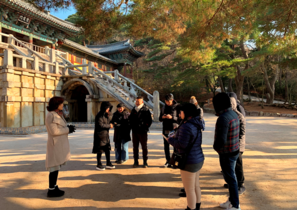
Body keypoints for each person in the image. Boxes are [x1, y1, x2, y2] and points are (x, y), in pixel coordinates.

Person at [167, 103, 204, 210]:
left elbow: (181, 145)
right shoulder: (197, 123)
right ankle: (197, 206)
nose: (179, 114)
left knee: (189, 189)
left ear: (186, 113)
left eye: (181, 112)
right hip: (198, 158)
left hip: (189, 161)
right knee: (196, 186)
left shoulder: (186, 126)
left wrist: (170, 140)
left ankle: (191, 208)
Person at [213, 92, 241, 210]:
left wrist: (216, 148)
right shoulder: (233, 114)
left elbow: (221, 140)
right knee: (231, 178)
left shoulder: (223, 118)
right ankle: (231, 201)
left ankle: (235, 205)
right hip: (234, 150)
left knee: (230, 179)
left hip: (227, 153)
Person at [45, 96, 76, 197]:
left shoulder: (58, 114)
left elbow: (60, 128)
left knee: (57, 166)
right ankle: (51, 189)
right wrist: (68, 130)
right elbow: (54, 131)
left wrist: (68, 128)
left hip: (59, 144)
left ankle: (54, 186)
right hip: (55, 145)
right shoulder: (51, 115)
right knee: (53, 167)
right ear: (56, 104)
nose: (63, 105)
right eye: (61, 103)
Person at [224, 92, 246, 195]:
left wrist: (235, 143)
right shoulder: (229, 115)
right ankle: (233, 182)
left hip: (238, 146)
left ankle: (241, 185)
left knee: (238, 165)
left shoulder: (239, 115)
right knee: (231, 166)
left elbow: (242, 132)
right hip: (232, 145)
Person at [129, 96, 152, 168]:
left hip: (142, 132)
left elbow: (149, 121)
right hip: (135, 131)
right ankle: (136, 161)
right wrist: (132, 125)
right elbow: (130, 119)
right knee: (135, 147)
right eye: (136, 101)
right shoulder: (133, 110)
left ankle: (145, 162)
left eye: (138, 101)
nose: (136, 103)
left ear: (142, 102)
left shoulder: (146, 110)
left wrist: (145, 127)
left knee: (144, 147)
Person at [92, 101, 115, 171]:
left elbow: (108, 122)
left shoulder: (106, 115)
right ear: (104, 107)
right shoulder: (99, 115)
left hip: (106, 135)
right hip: (100, 136)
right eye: (107, 108)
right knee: (100, 150)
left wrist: (113, 123)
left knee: (107, 149)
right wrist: (109, 126)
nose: (108, 109)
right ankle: (99, 164)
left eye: (109, 108)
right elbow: (100, 125)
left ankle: (108, 163)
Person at [159, 93, 179, 167]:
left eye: (169, 101)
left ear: (172, 100)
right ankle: (168, 161)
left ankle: (174, 161)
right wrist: (163, 117)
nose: (167, 103)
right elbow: (159, 118)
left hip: (174, 129)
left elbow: (180, 118)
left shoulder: (177, 107)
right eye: (166, 102)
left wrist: (172, 118)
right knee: (166, 145)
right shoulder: (163, 107)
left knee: (175, 145)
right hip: (166, 128)